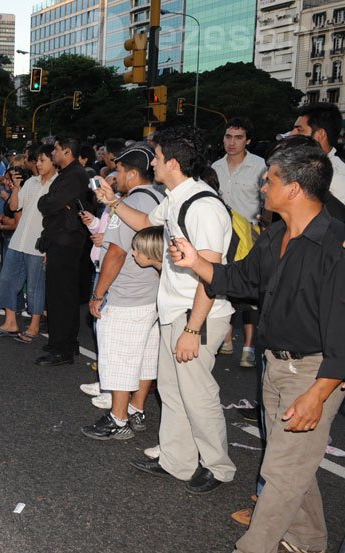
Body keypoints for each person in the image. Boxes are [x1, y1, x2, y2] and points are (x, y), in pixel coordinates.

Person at [169, 142, 345, 553]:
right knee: (293, 465)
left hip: (314, 373)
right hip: (274, 365)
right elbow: (240, 279)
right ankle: (307, 541)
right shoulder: (277, 236)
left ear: (296, 188)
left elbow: (342, 330)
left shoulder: (335, 245)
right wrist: (196, 261)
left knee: (282, 470)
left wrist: (319, 393)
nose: (262, 186)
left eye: (270, 180)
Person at [98, 125, 236, 494]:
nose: (152, 163)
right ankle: (177, 459)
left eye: (156, 157)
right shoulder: (174, 197)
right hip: (175, 310)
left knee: (198, 394)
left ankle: (217, 466)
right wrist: (113, 201)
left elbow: (211, 274)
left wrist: (192, 329)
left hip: (198, 315)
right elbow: (145, 223)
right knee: (172, 392)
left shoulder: (203, 206)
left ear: (173, 162)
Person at [80, 144, 163, 440]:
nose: (116, 177)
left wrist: (99, 294)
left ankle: (119, 418)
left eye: (119, 172)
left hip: (126, 294)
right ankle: (137, 409)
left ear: (132, 173)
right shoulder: (160, 197)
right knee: (144, 356)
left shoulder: (131, 203)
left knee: (118, 357)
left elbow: (115, 252)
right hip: (152, 293)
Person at [212, 118, 265, 367]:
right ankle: (225, 338)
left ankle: (248, 347)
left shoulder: (259, 166)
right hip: (222, 236)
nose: (232, 142)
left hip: (252, 237)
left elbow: (267, 204)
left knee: (250, 292)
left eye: (238, 137)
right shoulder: (216, 167)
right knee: (222, 284)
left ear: (248, 140)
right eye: (228, 136)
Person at [0, 143, 56, 342]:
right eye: (38, 160)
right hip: (19, 240)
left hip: (38, 242)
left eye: (43, 160)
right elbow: (14, 205)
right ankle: (10, 322)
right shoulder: (31, 182)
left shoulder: (58, 184)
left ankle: (34, 326)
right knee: (7, 279)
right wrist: (17, 188)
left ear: (54, 161)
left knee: (35, 286)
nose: (39, 164)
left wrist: (50, 248)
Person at [35, 135, 92, 366]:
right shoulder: (70, 174)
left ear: (66, 152)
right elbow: (47, 202)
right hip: (60, 239)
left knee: (61, 296)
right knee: (60, 295)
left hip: (66, 241)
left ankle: (62, 349)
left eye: (56, 149)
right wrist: (49, 202)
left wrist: (50, 202)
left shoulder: (75, 175)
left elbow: (50, 204)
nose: (53, 153)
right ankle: (63, 342)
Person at [290, 102, 345, 203]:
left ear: (320, 134)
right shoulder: (300, 166)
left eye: (299, 130)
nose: (291, 134)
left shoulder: (336, 179)